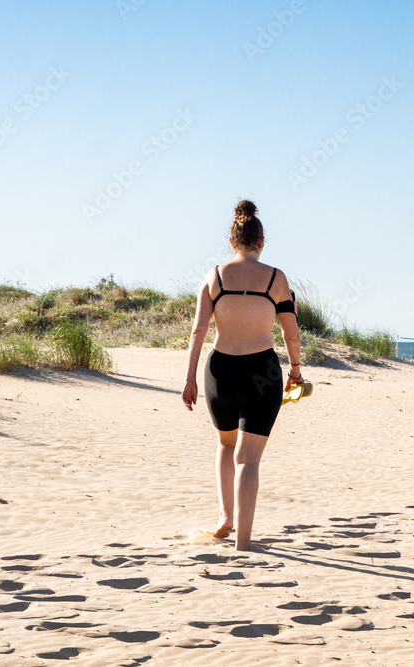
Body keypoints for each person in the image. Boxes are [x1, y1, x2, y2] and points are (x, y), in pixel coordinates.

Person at [182, 199, 302, 551]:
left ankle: (225, 517)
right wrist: (295, 370)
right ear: (261, 242)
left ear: (231, 242)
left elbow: (198, 330)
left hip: (219, 370)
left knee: (226, 442)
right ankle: (244, 543)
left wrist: (189, 378)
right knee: (248, 457)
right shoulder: (276, 279)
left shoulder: (214, 277)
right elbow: (290, 333)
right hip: (261, 370)